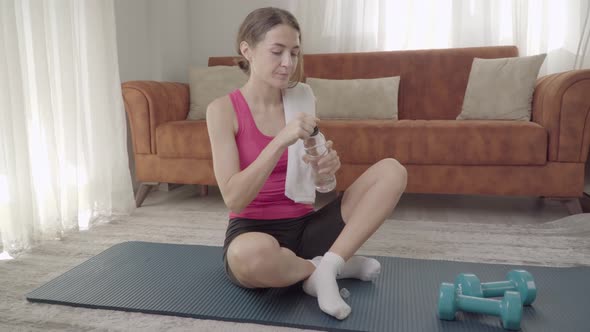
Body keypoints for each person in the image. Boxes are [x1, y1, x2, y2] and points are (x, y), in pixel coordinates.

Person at [206, 7, 407, 320]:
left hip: (305, 225)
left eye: (294, 53)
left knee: (393, 171)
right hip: (254, 232)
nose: (288, 64)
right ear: (247, 50)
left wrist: (325, 169)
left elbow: (320, 187)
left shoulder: (302, 98)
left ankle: (329, 265)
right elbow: (234, 198)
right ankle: (319, 268)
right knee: (248, 258)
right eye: (277, 51)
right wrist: (279, 141)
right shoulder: (222, 111)